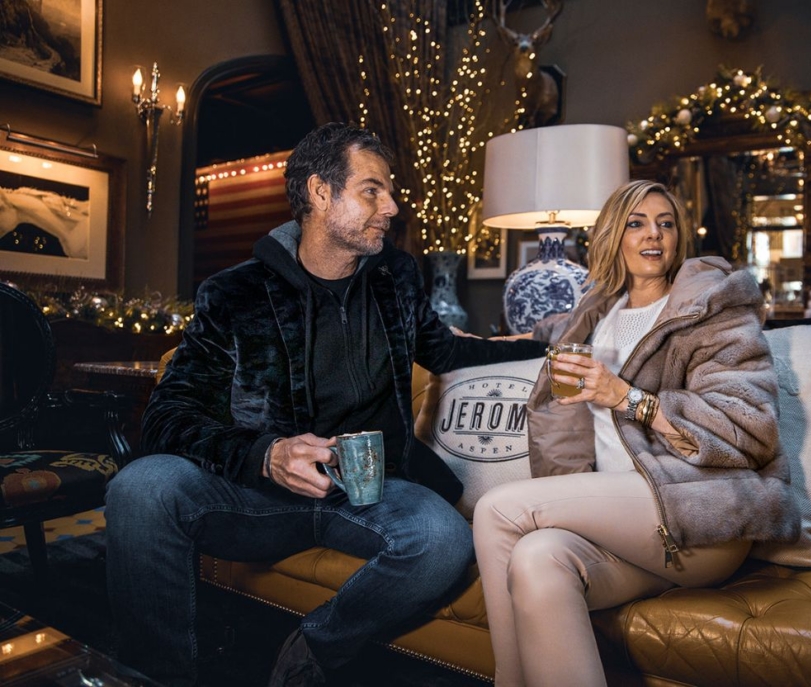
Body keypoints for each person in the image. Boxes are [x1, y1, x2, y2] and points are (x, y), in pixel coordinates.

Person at [105, 122, 545, 687]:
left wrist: (544, 343)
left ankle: (314, 649)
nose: (390, 206)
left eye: (389, 191)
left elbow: (443, 349)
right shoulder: (234, 294)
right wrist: (266, 455)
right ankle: (153, 677)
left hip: (370, 491)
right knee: (141, 486)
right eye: (371, 190)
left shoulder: (397, 277)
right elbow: (168, 419)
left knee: (443, 540)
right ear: (319, 193)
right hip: (256, 494)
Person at [472, 179, 800, 687]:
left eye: (666, 224)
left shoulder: (712, 308)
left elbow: (749, 427)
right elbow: (542, 349)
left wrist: (628, 398)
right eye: (637, 222)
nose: (655, 235)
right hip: (626, 524)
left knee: (498, 509)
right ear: (611, 235)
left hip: (699, 511)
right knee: (538, 559)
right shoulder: (596, 312)